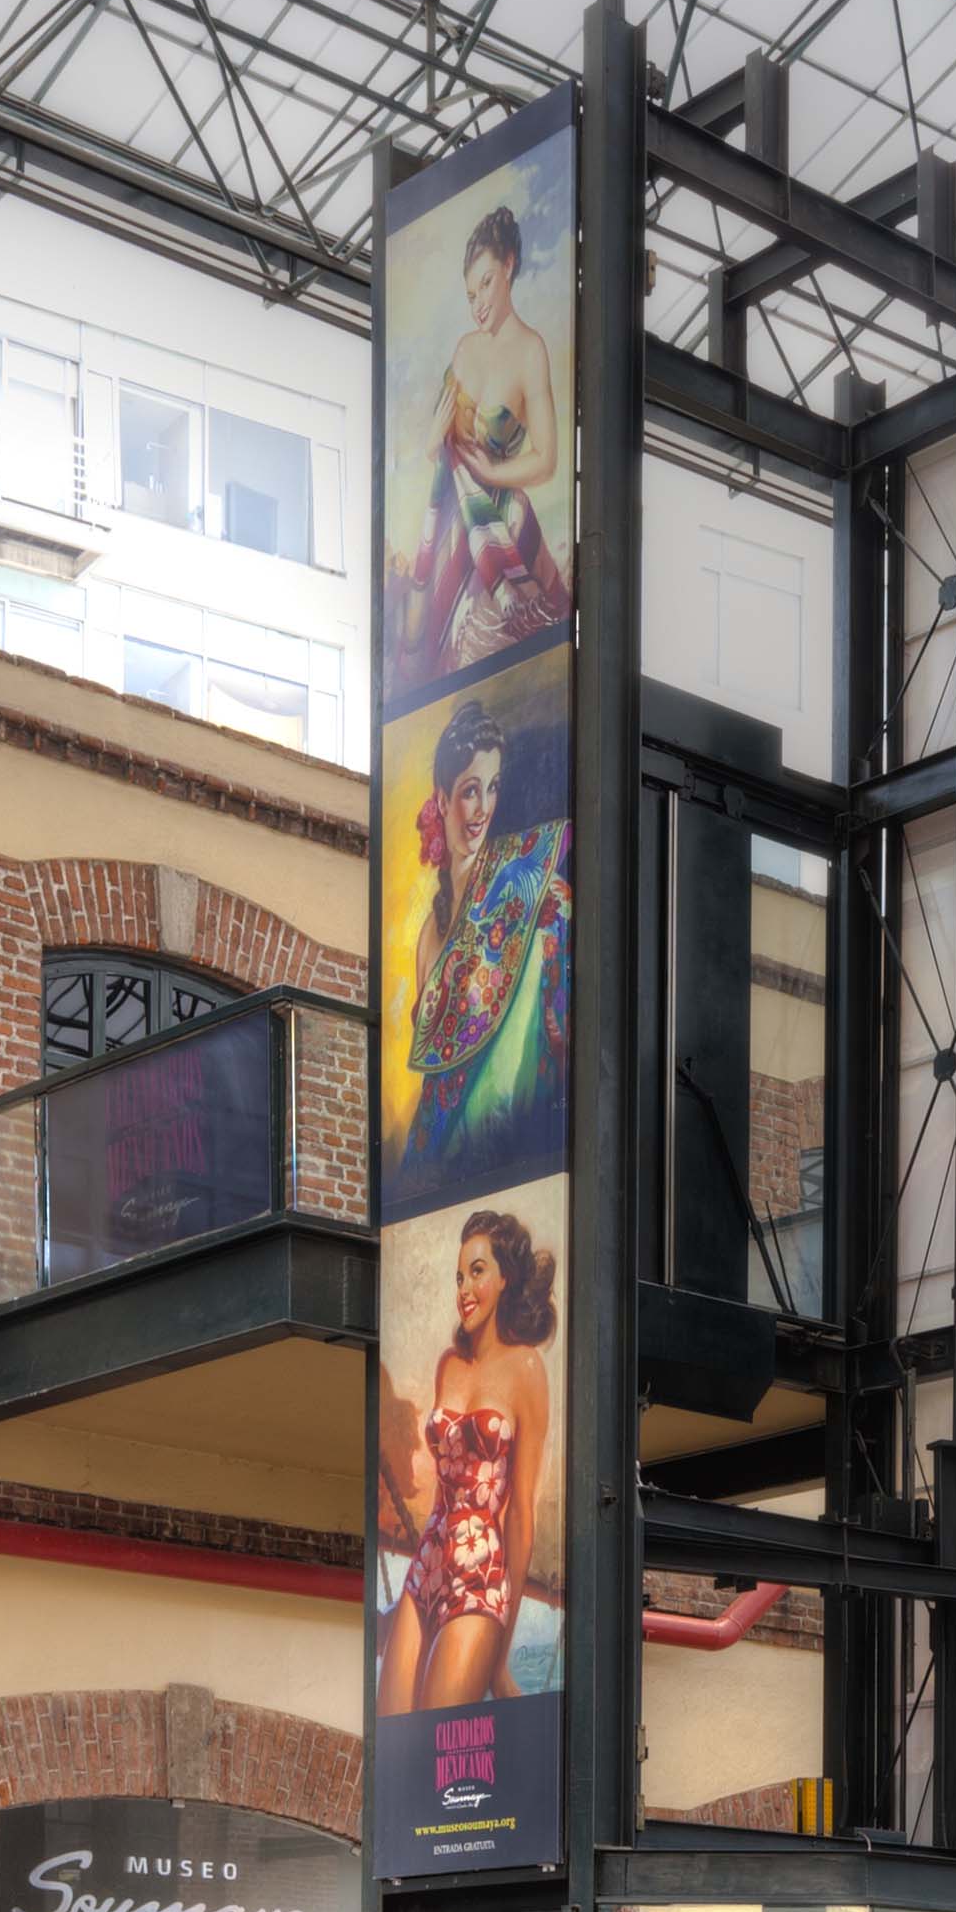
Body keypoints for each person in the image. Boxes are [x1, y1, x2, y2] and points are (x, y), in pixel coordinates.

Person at [378, 1207, 557, 1720]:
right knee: (393, 1736)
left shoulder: (528, 1370)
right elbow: (442, 1493)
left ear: (505, 1278)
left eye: (477, 1272)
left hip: (482, 1580)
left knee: (435, 1743)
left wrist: (502, 1653)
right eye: (459, 1276)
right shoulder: (448, 1365)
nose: (464, 1288)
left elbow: (521, 1514)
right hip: (428, 1564)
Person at [393, 690, 565, 1203]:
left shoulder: (519, 881)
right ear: (442, 800)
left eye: (492, 788)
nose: (483, 809)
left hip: (507, 1150)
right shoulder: (427, 933)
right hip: (441, 1169)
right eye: (470, 791)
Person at [400, 202, 568, 680]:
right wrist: (435, 437)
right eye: (471, 293)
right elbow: (438, 450)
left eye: (487, 284)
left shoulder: (531, 350)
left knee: (488, 654)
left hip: (500, 520)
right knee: (441, 653)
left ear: (510, 267)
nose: (478, 304)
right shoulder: (464, 348)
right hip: (453, 516)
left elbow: (548, 459)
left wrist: (493, 473)